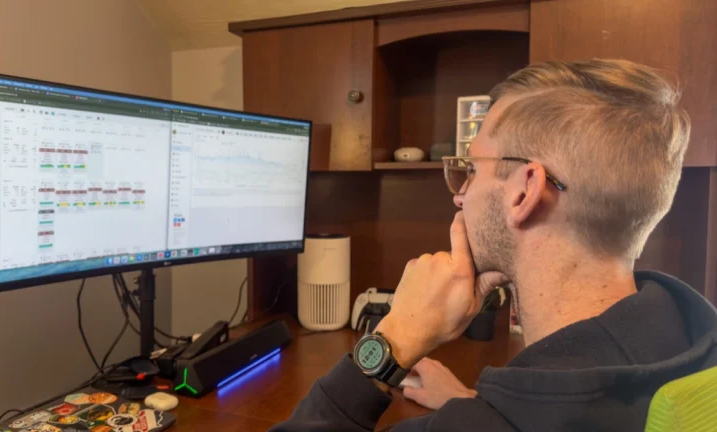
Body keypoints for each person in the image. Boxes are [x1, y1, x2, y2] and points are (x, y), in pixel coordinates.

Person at [271, 59, 717, 431]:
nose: (459, 194)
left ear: (523, 193)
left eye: (473, 168)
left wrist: (394, 340)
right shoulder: (689, 336)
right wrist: (469, 399)